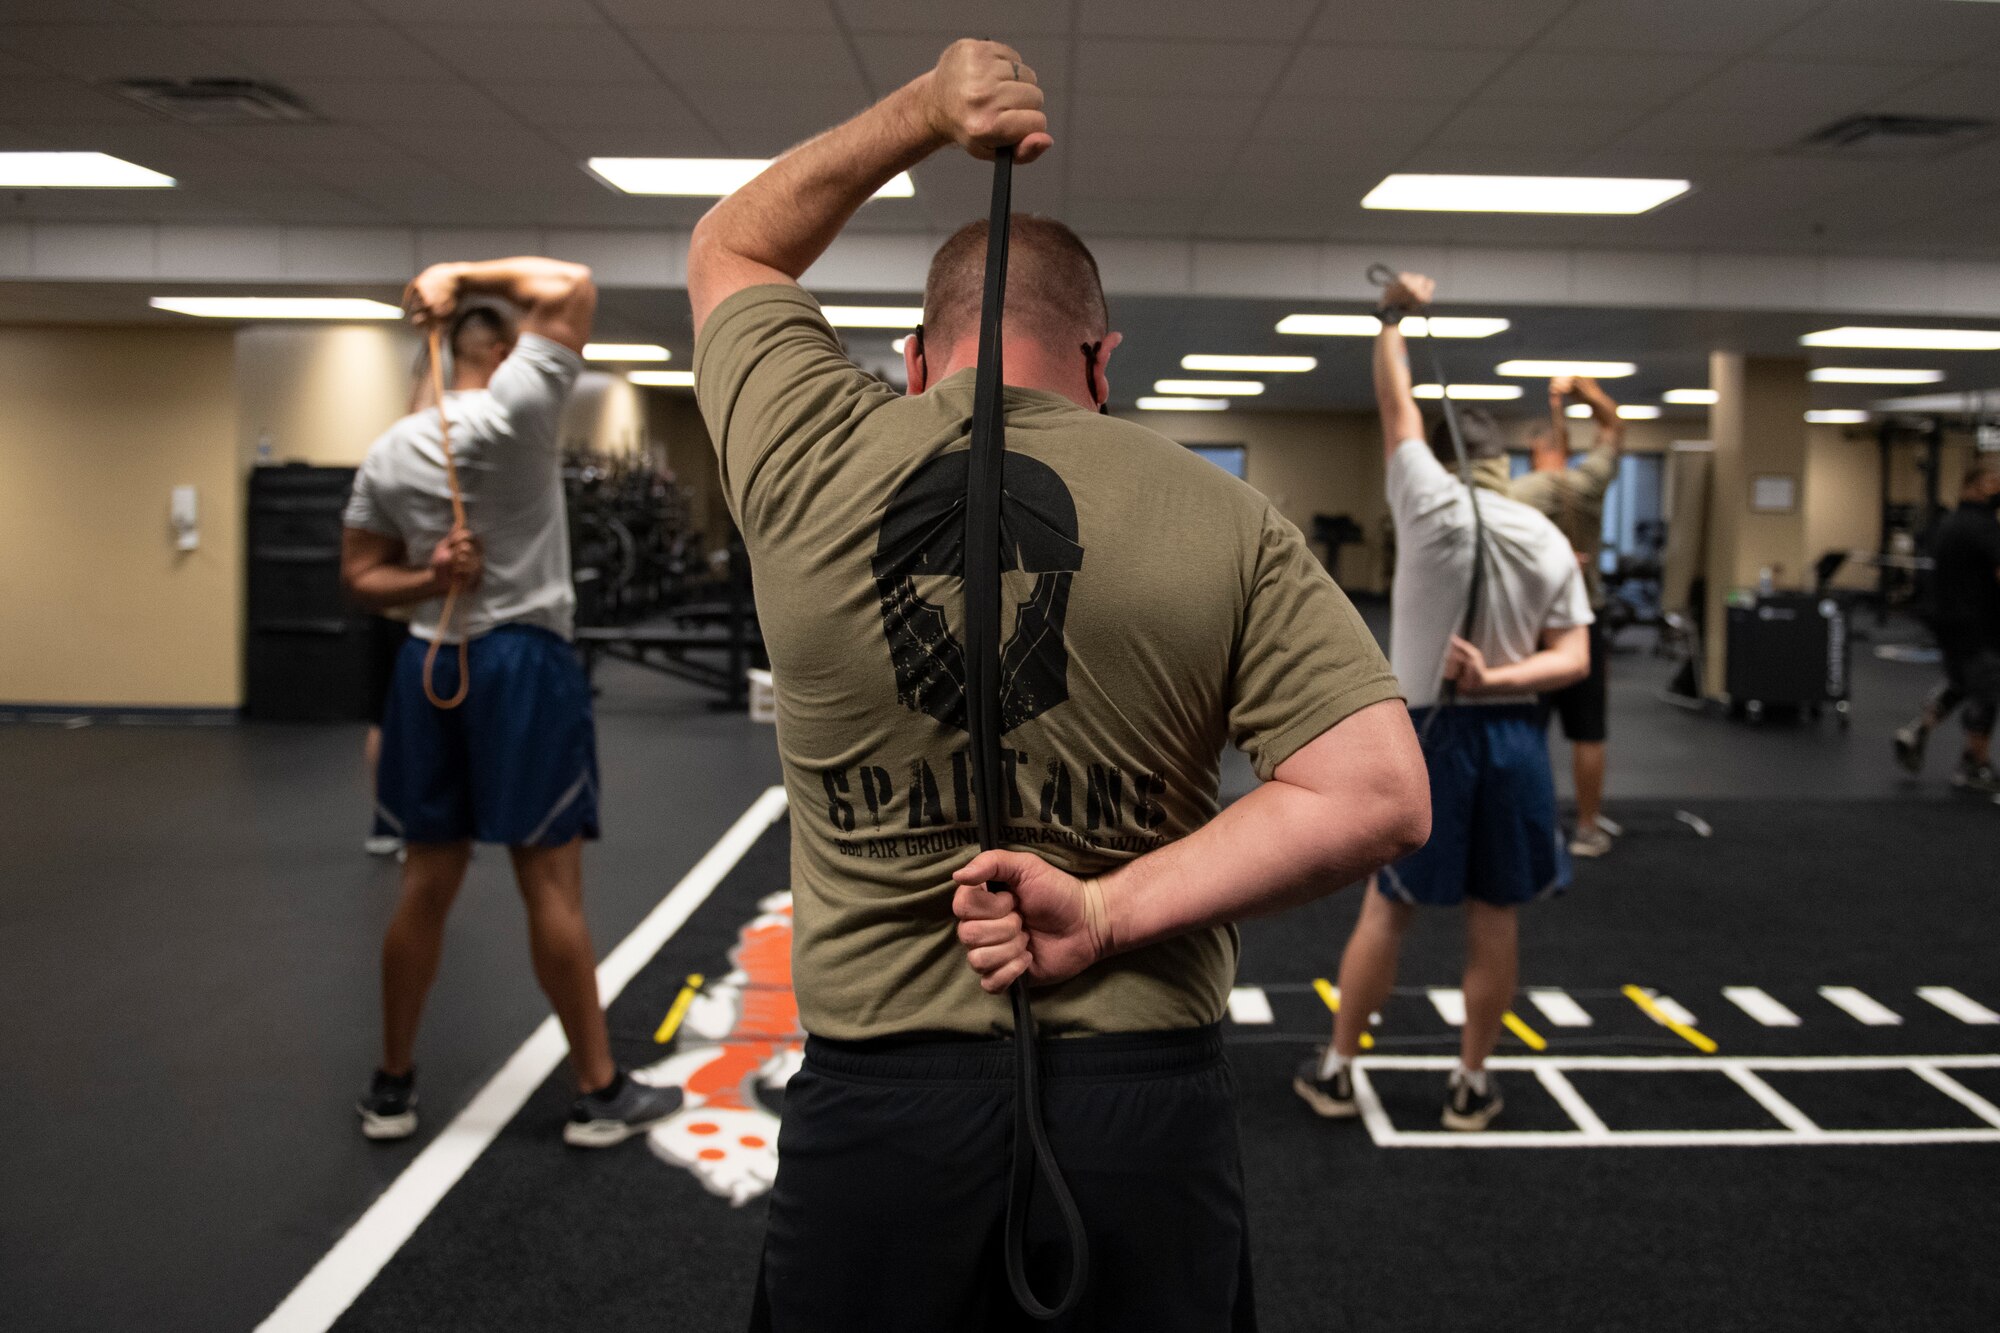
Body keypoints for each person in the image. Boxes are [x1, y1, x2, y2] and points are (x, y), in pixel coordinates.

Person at [688, 38, 1429, 1331]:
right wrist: (1101, 908)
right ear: (1103, 362)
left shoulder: (804, 453)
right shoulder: (1226, 518)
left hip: (878, 1110)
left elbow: (734, 251)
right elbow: (1377, 797)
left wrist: (926, 112)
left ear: (916, 360)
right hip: (1137, 1103)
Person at [340, 256, 680, 1147]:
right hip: (523, 666)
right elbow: (566, 282)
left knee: (425, 885)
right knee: (552, 888)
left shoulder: (387, 450)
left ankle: (391, 1086)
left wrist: (427, 575)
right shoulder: (514, 415)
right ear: (499, 350)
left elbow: (360, 576)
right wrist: (459, 270)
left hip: (428, 664)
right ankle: (598, 1091)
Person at [1295, 272, 1591, 1133]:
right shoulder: (1546, 536)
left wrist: (1393, 314)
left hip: (1427, 737)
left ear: (1450, 457)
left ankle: (1341, 1068)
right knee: (1495, 918)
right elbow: (1574, 657)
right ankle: (1471, 1083)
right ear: (1505, 466)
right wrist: (1499, 678)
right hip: (1513, 739)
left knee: (1390, 906)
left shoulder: (1425, 500)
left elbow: (1398, 409)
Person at [1508, 374, 1626, 857]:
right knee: (1588, 730)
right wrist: (1587, 391)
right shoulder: (1588, 483)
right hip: (1583, 622)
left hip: (1532, 626)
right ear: (1565, 447)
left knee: (1524, 726)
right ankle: (1588, 827)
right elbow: (1614, 429)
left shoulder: (1516, 495)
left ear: (1536, 450)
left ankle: (1522, 821)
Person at [1894, 459, 2000, 795]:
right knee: (1988, 688)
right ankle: (1976, 764)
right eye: (1995, 480)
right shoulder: (1983, 526)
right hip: (1975, 623)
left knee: (1961, 681)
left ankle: (1916, 731)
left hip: (1946, 619)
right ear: (1978, 483)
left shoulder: (1948, 523)